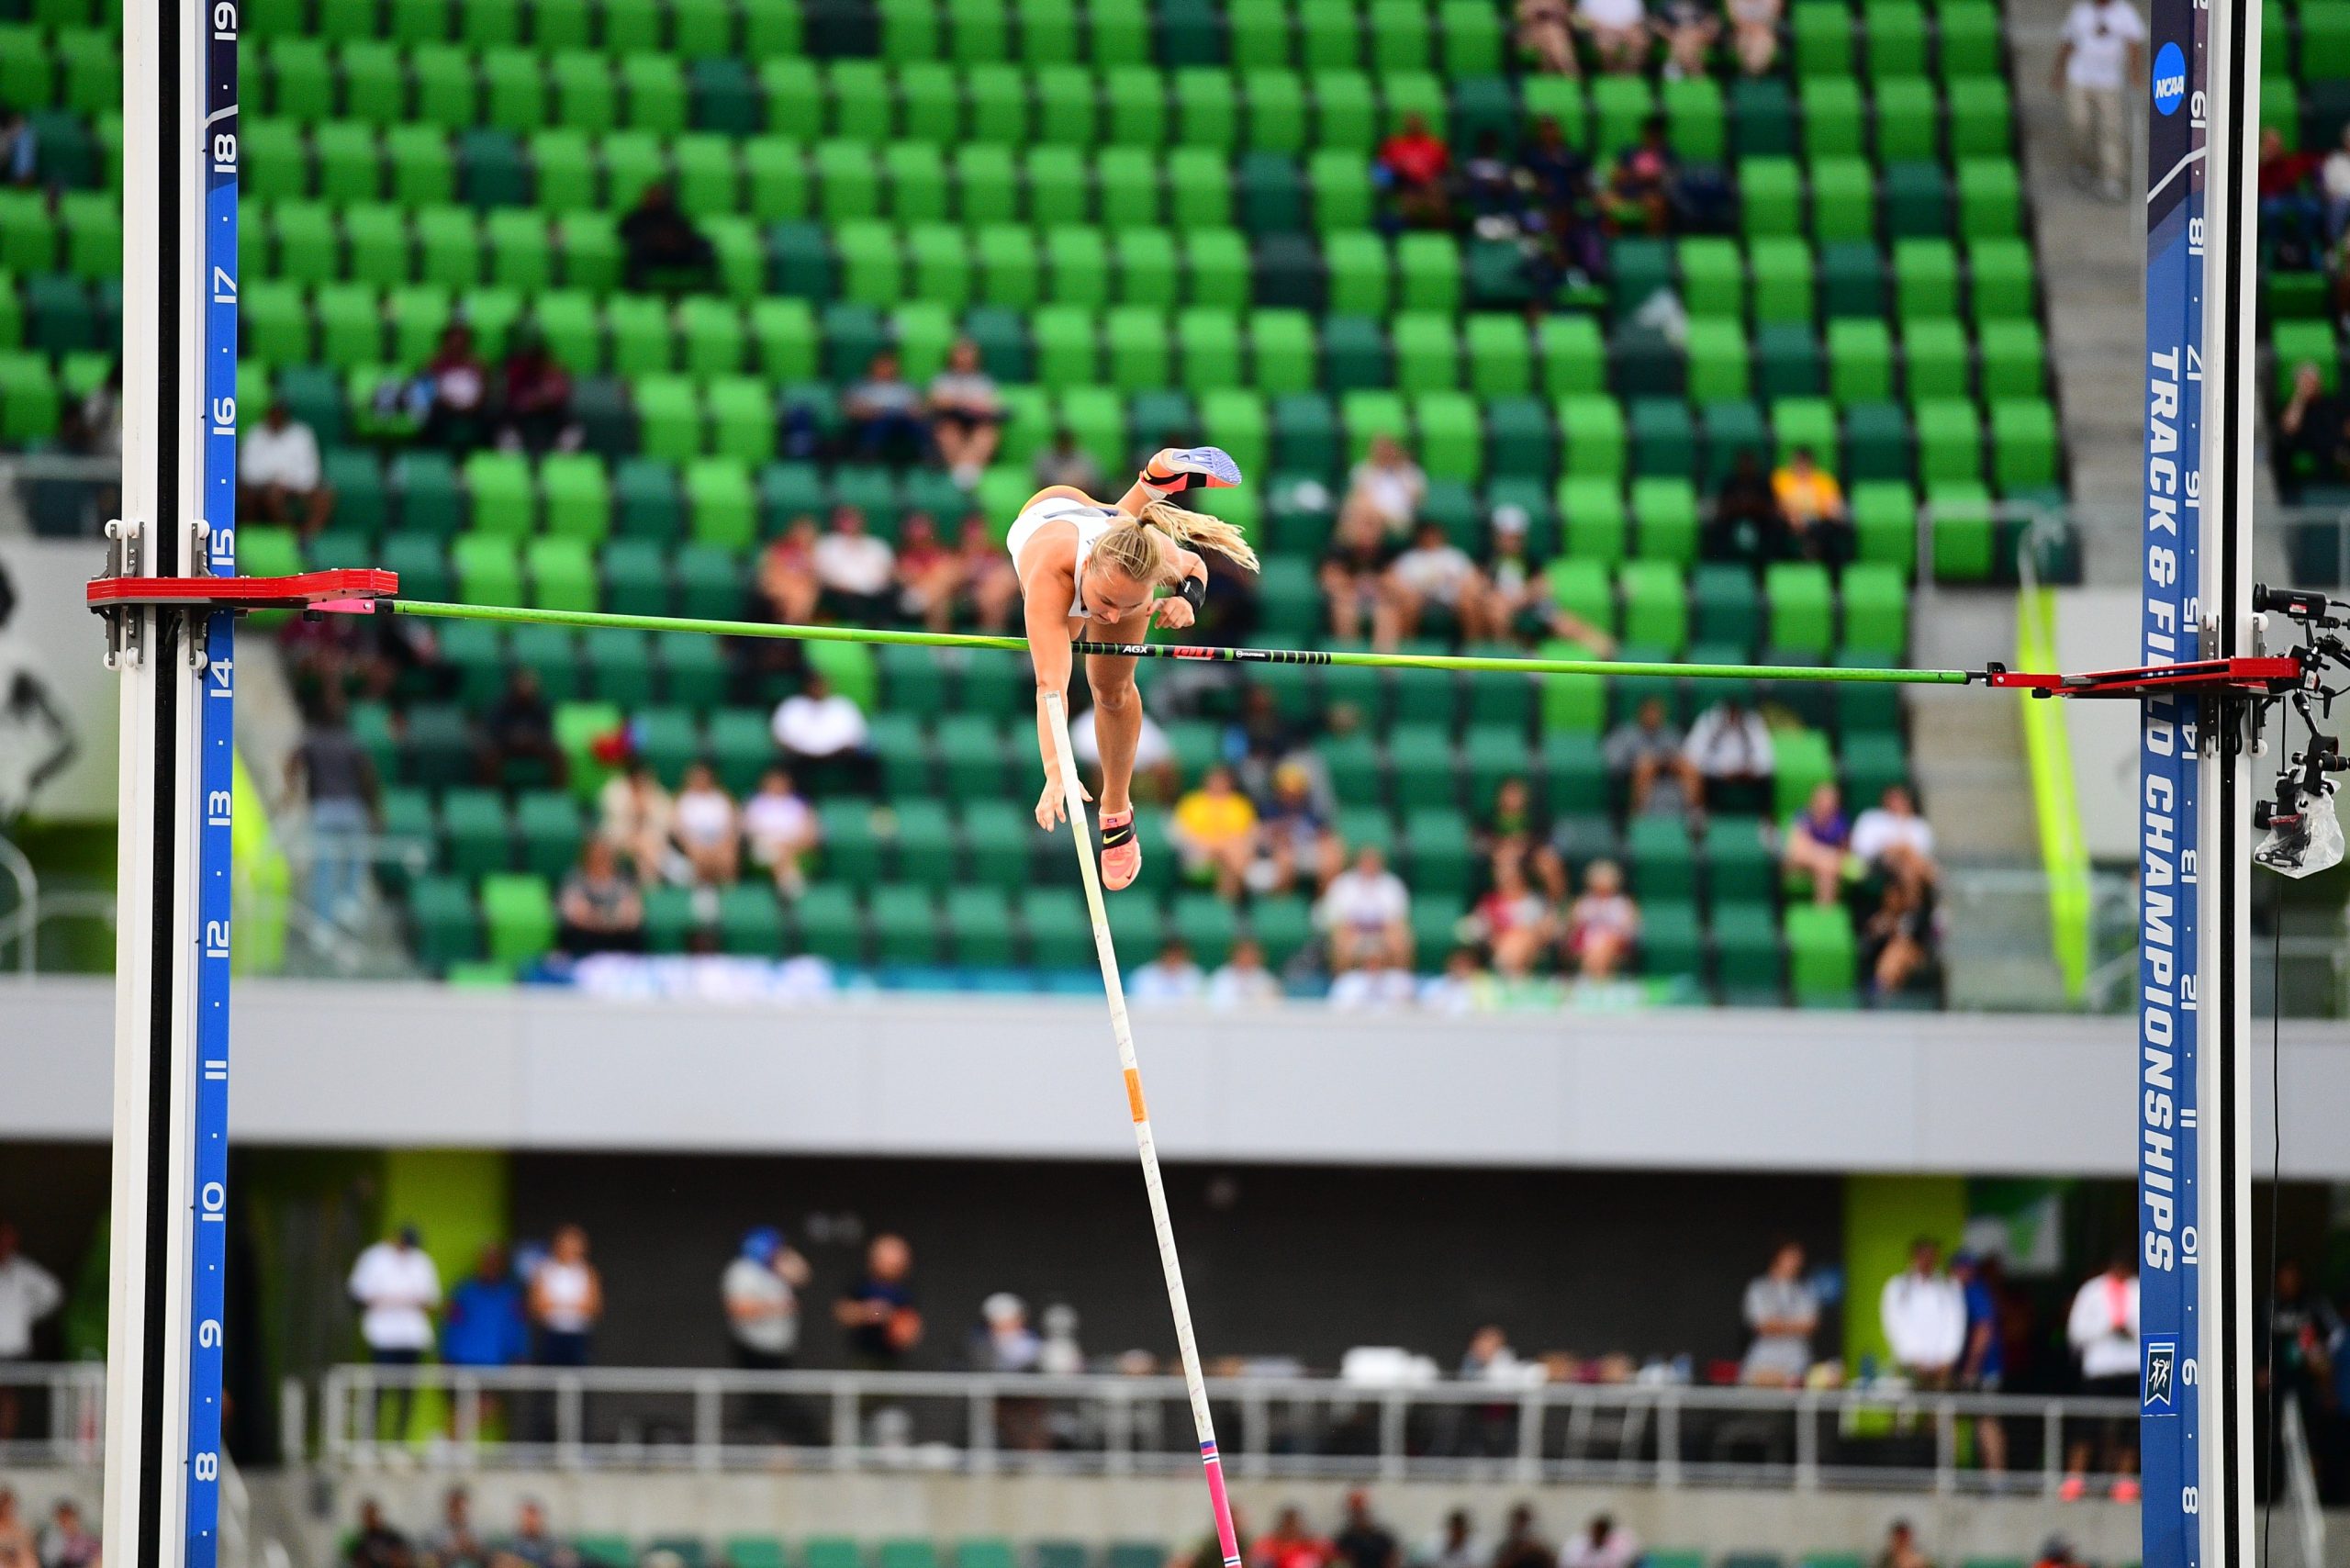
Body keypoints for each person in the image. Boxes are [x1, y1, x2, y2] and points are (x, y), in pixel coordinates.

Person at [1010, 445, 1257, 890]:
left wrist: (1187, 601)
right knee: (1071, 630)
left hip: (1111, 530)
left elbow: (1194, 566)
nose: (1108, 617)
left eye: (1125, 606)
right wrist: (1055, 768)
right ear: (1088, 567)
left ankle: (1116, 811)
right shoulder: (1050, 573)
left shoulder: (1148, 557)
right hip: (1053, 510)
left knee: (1112, 689)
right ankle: (1151, 482)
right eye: (1105, 603)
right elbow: (1051, 686)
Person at [287, 689, 381, 924]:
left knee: (327, 866)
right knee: (350, 859)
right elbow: (368, 777)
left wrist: (291, 790)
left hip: (327, 810)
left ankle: (326, 919)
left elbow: (292, 763)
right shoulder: (348, 741)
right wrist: (375, 808)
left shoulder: (316, 740)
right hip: (346, 809)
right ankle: (345, 904)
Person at [348, 1225, 442, 1439]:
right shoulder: (374, 1257)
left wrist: (405, 1301)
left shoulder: (421, 1261)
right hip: (382, 1336)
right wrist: (391, 1300)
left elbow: (431, 1300)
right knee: (378, 1387)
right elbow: (358, 1294)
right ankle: (368, 1438)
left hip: (412, 1337)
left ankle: (399, 1439)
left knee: (407, 1391)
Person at [2062, 1253, 2140, 1497]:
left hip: (2132, 1367)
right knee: (2087, 1424)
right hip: (2100, 1369)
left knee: (2132, 1428)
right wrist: (2108, 1327)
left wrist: (2130, 1330)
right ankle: (2075, 1479)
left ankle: (2124, 1481)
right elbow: (2076, 1332)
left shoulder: (2140, 1289)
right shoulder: (2092, 1291)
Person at [2053, 0, 2144, 202]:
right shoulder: (2080, 11)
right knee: (2079, 122)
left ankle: (2112, 177)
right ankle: (2082, 163)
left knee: (2111, 129)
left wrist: (2135, 74)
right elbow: (2068, 43)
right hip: (2080, 78)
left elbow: (2134, 45)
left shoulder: (2125, 13)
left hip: (2110, 82)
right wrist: (2058, 72)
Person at [440, 1244, 532, 1436]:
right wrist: (447, 1355)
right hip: (463, 1360)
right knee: (460, 1407)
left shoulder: (510, 1294)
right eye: (487, 1261)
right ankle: (450, 1443)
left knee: (489, 1407)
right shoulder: (465, 1291)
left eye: (495, 1261)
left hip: (495, 1364)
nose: (490, 1266)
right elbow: (451, 1324)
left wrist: (520, 1356)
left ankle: (448, 1441)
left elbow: (517, 1327)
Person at [1383, 521, 1496, 642]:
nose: (1430, 538)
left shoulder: (1454, 556)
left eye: (1434, 535)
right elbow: (1391, 579)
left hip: (1451, 598)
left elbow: (1472, 579)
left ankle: (1474, 644)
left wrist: (1463, 588)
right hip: (1418, 598)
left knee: (1468, 602)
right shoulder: (1409, 558)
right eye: (1427, 535)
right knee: (1408, 603)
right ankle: (1408, 644)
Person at [722, 1226, 812, 1373]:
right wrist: (778, 1307)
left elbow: (803, 1276)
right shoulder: (743, 1270)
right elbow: (738, 1310)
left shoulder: (775, 1268)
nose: (780, 1250)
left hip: (780, 1347)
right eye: (776, 1247)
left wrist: (786, 1256)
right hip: (753, 1347)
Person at [1880, 1238, 1966, 1388]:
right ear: (1914, 1257)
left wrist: (1947, 1358)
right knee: (1907, 1400)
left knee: (1940, 1400)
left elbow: (1956, 1323)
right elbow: (1893, 1322)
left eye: (1932, 1256)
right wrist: (1913, 1358)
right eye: (1923, 1256)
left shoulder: (1949, 1287)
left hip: (1942, 1367)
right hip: (1910, 1364)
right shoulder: (1898, 1287)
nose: (1927, 1261)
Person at [0, 1226, 60, 1444]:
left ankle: (7, 1445)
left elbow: (52, 1293)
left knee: (11, 1400)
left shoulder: (23, 1270)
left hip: (15, 1351)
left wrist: (27, 1314)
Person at [238, 398, 333, 532]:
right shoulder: (254, 434)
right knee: (273, 496)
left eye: (280, 413)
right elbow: (247, 472)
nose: (277, 417)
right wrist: (273, 480)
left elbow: (311, 472)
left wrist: (289, 483)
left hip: (297, 486)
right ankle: (288, 534)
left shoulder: (302, 434)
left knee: (325, 494)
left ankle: (307, 535)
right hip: (263, 487)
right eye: (274, 413)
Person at [770, 673, 874, 795]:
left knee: (868, 762)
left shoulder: (843, 706)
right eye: (814, 685)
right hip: (802, 757)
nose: (817, 689)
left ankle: (867, 800)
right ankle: (799, 799)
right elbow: (781, 738)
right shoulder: (792, 706)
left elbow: (856, 737)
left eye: (821, 685)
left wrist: (838, 750)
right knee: (784, 763)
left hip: (838, 755)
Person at [1952, 1250, 2008, 1472]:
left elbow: (1983, 1331)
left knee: (1986, 1421)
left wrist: (1970, 1370)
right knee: (1959, 1419)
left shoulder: (1974, 1291)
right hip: (1977, 1370)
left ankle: (1995, 1478)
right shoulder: (1961, 1292)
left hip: (1982, 1371)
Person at [1317, 843, 1413, 972]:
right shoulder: (1343, 884)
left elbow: (1397, 919)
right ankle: (1341, 980)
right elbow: (1334, 915)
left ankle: (1399, 979)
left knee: (1400, 939)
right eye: (1366, 862)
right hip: (1352, 932)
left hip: (1383, 932)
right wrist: (1349, 927)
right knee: (1340, 938)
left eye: (1373, 862)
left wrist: (1382, 929)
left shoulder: (1392, 885)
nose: (1369, 865)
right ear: (1358, 863)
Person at [1319, 503, 1404, 646]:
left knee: (1387, 612)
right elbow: (1331, 582)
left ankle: (1385, 657)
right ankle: (1349, 655)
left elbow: (1394, 583)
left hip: (1378, 600)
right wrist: (1353, 586)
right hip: (1348, 600)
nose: (1368, 531)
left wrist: (1377, 586)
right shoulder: (1338, 551)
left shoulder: (1386, 553)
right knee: (1344, 609)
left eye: (1373, 526)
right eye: (1363, 524)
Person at [925, 337, 1006, 487]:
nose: (965, 358)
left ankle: (965, 473)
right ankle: (963, 474)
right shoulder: (943, 379)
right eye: (961, 353)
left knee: (987, 433)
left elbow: (994, 405)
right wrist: (962, 403)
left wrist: (978, 406)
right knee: (949, 431)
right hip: (951, 420)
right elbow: (937, 401)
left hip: (977, 422)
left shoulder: (983, 380)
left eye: (969, 354)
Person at [835, 1233, 922, 1372]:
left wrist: (896, 1323)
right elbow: (843, 1313)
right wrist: (868, 1312)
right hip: (863, 1357)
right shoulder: (861, 1285)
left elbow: (911, 1329)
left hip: (893, 1361)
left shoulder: (905, 1292)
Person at [1171, 764, 1260, 898]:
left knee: (1229, 857)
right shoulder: (1191, 802)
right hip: (1200, 853)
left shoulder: (1241, 804)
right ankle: (1239, 896)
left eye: (1222, 780)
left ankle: (1225, 902)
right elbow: (1180, 833)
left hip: (1234, 853)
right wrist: (1214, 847)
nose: (1218, 784)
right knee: (1228, 856)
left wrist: (1226, 847)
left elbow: (1252, 835)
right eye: (1215, 780)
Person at [1606, 696, 1702, 818]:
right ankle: (1638, 816)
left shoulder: (1672, 734)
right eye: (1650, 712)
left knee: (1689, 767)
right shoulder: (1625, 734)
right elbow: (1614, 761)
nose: (1653, 716)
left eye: (1657, 713)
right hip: (1636, 775)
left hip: (1670, 774)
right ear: (1641, 713)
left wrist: (1663, 762)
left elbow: (1685, 755)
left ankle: (1695, 814)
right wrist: (1641, 762)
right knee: (1646, 765)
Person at [1740, 1239, 1818, 1386]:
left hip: (1798, 1359)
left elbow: (1810, 1325)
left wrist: (1778, 1324)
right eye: (1791, 1257)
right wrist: (1796, 1325)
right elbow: (1762, 1325)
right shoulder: (1759, 1287)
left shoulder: (1805, 1289)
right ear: (1777, 1257)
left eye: (1799, 1258)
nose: (1797, 1262)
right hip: (1764, 1359)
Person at [617, 180, 715, 292]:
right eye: (653, 196)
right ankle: (635, 288)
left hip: (678, 253)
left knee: (705, 245)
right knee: (637, 250)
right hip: (653, 255)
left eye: (659, 196)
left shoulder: (675, 216)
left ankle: (710, 286)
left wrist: (674, 241)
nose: (656, 199)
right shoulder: (636, 217)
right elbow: (624, 233)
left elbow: (688, 233)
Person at [478, 666, 567, 788]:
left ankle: (556, 793)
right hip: (506, 746)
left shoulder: (542, 706)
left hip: (535, 746)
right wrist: (513, 738)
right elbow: (493, 731)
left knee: (558, 754)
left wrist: (532, 738)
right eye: (523, 684)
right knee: (487, 756)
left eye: (529, 684)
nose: (526, 688)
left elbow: (548, 730)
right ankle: (489, 794)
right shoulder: (500, 705)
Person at [1683, 695, 1774, 812]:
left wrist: (1749, 769)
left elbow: (1766, 759)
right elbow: (1692, 755)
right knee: (1699, 777)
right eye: (1730, 714)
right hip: (1715, 774)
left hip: (1747, 774)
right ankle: (1704, 815)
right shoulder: (1709, 721)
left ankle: (1766, 818)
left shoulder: (1752, 722)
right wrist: (1720, 770)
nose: (1733, 718)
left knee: (1767, 779)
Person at [1473, 850, 1556, 978]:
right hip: (1500, 948)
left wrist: (1524, 936)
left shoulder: (1538, 901)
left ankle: (1514, 976)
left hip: (1531, 950)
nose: (1506, 878)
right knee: (1511, 943)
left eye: (1511, 873)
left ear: (1521, 875)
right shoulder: (1489, 902)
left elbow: (1547, 931)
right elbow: (1481, 930)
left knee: (1520, 940)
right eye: (1501, 873)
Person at [556, 838, 645, 956]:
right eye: (596, 853)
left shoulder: (624, 881)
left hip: (618, 940)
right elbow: (577, 914)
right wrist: (610, 918)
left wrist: (600, 918)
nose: (600, 858)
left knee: (635, 935)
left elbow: (632, 916)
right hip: (585, 940)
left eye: (605, 854)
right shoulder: (575, 879)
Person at [496, 326, 576, 455]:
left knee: (569, 421)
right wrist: (530, 401)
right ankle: (511, 454)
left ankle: (564, 455)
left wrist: (542, 399)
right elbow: (513, 397)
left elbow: (560, 394)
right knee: (504, 417)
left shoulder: (554, 369)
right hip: (521, 414)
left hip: (550, 412)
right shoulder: (517, 369)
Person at [531, 1224, 602, 1367]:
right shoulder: (544, 1270)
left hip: (579, 1336)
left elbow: (593, 1307)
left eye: (575, 1244)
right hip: (551, 1335)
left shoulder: (588, 1272)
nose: (571, 1249)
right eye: (567, 1244)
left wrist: (556, 1302)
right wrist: (574, 1303)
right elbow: (538, 1306)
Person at [813, 506, 898, 625]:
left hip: (876, 594)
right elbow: (822, 573)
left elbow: (888, 572)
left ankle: (881, 630)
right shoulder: (827, 544)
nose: (849, 523)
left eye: (852, 519)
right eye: (845, 519)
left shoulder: (877, 545)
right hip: (842, 593)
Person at [742, 767, 820, 896]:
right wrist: (776, 843)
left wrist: (791, 845)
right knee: (781, 854)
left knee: (784, 854)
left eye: (781, 781)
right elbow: (748, 832)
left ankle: (788, 893)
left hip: (795, 847)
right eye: (774, 781)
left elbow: (811, 834)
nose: (777, 785)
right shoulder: (755, 804)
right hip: (762, 847)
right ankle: (793, 894)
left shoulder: (799, 805)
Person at [844, 350, 929, 466]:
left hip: (902, 422)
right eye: (882, 366)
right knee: (881, 421)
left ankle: (927, 454)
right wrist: (869, 411)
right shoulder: (861, 386)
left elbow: (920, 409)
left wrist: (913, 411)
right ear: (873, 366)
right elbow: (849, 409)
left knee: (917, 425)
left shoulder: (905, 387)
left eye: (889, 366)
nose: (886, 369)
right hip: (873, 421)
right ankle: (867, 453)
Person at [1852, 782, 1938, 894]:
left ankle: (1911, 903)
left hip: (1907, 865)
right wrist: (1891, 848)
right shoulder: (1871, 819)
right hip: (1875, 863)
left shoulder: (1918, 824)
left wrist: (1902, 844)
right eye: (1892, 798)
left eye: (1899, 799)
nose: (1896, 803)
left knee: (1908, 870)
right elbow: (1860, 847)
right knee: (1905, 862)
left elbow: (1923, 852)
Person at [1771, 446, 1852, 565]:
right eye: (1798, 464)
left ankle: (1815, 557)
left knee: (1830, 527)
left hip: (1817, 523)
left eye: (1804, 464)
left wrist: (1830, 513)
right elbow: (1776, 504)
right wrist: (1791, 516)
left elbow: (1833, 507)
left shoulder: (1824, 480)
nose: (1801, 468)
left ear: (1811, 464)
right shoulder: (1780, 479)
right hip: (1788, 521)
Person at [597, 759, 673, 883]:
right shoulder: (615, 790)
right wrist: (635, 808)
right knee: (645, 848)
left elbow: (665, 819)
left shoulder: (655, 792)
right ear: (632, 776)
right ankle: (675, 876)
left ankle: (650, 887)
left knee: (644, 856)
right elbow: (614, 819)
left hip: (649, 841)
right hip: (619, 838)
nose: (642, 781)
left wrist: (647, 808)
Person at [419, 322, 491, 451]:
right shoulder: (435, 364)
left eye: (461, 340)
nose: (456, 344)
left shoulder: (478, 364)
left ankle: (483, 454)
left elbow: (484, 389)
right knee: (431, 415)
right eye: (453, 340)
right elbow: (431, 389)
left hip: (474, 408)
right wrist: (448, 403)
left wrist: (474, 404)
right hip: (444, 407)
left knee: (491, 415)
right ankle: (433, 453)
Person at [1562, 857, 1639, 980]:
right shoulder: (1583, 903)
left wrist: (1609, 938)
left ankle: (1592, 981)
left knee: (1602, 948)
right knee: (1594, 949)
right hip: (1586, 945)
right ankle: (1594, 981)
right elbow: (1571, 929)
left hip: (1613, 945)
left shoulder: (1623, 904)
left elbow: (1630, 931)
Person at [1709, 451, 1791, 565]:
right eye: (1743, 464)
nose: (1746, 467)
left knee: (1776, 527)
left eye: (1749, 464)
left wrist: (1754, 505)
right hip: (1733, 519)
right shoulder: (1730, 482)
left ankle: (1771, 564)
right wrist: (1738, 505)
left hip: (1759, 520)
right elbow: (1722, 508)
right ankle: (1721, 564)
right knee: (1717, 527)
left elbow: (1771, 507)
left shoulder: (1762, 483)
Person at [2277, 362, 2350, 487]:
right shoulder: (2292, 405)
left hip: (2338, 445)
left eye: (2313, 380)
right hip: (2308, 446)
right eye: (2306, 381)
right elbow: (2290, 428)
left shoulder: (2333, 403)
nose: (2311, 384)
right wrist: (2300, 397)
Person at [668, 761, 741, 887]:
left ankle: (730, 892)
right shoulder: (683, 800)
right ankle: (702, 889)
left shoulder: (722, 799)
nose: (701, 780)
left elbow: (732, 827)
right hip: (693, 844)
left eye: (704, 777)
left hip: (720, 843)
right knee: (699, 855)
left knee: (728, 856)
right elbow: (677, 829)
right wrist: (690, 844)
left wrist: (723, 844)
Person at [1781, 780, 1852, 906]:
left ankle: (1824, 912)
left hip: (1828, 867)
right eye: (1823, 800)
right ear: (1814, 801)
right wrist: (1826, 856)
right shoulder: (1803, 815)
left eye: (1831, 801)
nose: (1827, 804)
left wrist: (1825, 858)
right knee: (1825, 863)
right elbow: (1798, 850)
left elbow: (1843, 852)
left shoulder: (1840, 821)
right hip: (1798, 864)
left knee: (1826, 871)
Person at [1376, 113, 1451, 230]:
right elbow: (1384, 169)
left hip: (1430, 185)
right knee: (1409, 200)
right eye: (1411, 124)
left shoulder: (1435, 146)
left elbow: (1444, 170)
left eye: (1417, 124)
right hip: (1404, 184)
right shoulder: (1394, 145)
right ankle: (1408, 230)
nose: (1414, 127)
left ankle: (1440, 232)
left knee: (1437, 196)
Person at [1343, 434, 1427, 539]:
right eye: (1381, 450)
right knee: (1358, 510)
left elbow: (1416, 500)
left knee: (1365, 519)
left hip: (1398, 518)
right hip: (1368, 513)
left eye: (1388, 449)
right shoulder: (1362, 469)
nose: (1385, 453)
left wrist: (1399, 472)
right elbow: (1358, 496)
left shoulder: (1411, 472)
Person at [950, 513, 1024, 632]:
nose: (975, 541)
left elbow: (1010, 579)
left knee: (995, 595)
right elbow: (952, 576)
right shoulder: (957, 557)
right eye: (971, 538)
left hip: (996, 596)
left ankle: (993, 637)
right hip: (963, 592)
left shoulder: (995, 555)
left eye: (978, 536)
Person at [757, 515, 822, 625]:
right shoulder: (778, 549)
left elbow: (812, 580)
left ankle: (793, 627)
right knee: (793, 597)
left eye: (807, 534)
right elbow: (768, 577)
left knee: (803, 596)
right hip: (778, 590)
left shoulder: (811, 554)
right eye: (801, 532)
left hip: (801, 593)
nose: (803, 537)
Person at [1577, 0, 1651, 73]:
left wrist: (1624, 31)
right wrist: (1604, 29)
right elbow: (1581, 18)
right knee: (1606, 43)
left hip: (1627, 30)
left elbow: (1637, 19)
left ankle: (1628, 73)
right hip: (1600, 30)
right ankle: (1612, 73)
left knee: (1640, 41)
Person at [420, 1487, 485, 1568]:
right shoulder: (435, 1533)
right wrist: (451, 1550)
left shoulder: (475, 1531)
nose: (458, 1511)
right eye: (454, 1507)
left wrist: (470, 1548)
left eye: (460, 1507)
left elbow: (484, 1557)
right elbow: (430, 1560)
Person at [1130, 936, 1208, 1002]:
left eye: (1178, 953)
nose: (1173, 957)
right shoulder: (1143, 975)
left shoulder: (1196, 975)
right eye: (1170, 953)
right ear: (1162, 954)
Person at [1332, 1492, 1398, 1568]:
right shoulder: (1344, 1540)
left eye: (1362, 1511)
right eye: (1356, 1512)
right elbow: (1339, 1562)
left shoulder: (1383, 1538)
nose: (1359, 1515)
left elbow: (1393, 1560)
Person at [1031, 427, 1105, 494]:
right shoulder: (1045, 460)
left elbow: (1095, 483)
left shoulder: (1085, 458)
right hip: (1053, 497)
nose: (1064, 444)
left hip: (1082, 497)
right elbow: (1039, 484)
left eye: (1067, 441)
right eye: (1062, 442)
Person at [1250, 1506, 1330, 1568]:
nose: (1290, 1528)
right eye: (1287, 1523)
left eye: (1293, 1523)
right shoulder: (1267, 1544)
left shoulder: (1312, 1545)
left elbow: (1328, 1557)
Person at [1516, 0, 1579, 73]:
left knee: (1551, 32)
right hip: (1530, 35)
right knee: (1551, 35)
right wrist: (1542, 11)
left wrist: (1547, 12)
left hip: (1558, 32)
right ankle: (1571, 72)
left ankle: (1552, 71)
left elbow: (1566, 15)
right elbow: (1522, 15)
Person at [347, 1499, 412, 1568]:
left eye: (372, 1514)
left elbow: (403, 1558)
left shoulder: (392, 1537)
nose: (370, 1518)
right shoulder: (360, 1543)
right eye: (367, 1515)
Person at [36, 1501, 98, 1568]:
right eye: (62, 1520)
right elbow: (48, 1560)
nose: (66, 1523)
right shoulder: (52, 1540)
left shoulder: (87, 1540)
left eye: (69, 1519)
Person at [1560, 1515, 1638, 1568]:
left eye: (1601, 1532)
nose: (1597, 1535)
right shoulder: (1576, 1546)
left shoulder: (1617, 1548)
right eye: (1596, 1531)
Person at [1487, 1506, 1551, 1568]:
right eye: (1517, 1523)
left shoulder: (1539, 1550)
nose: (1519, 1527)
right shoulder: (1504, 1548)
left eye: (1523, 1523)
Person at [1726, 0, 1781, 72]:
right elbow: (1734, 20)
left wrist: (1758, 30)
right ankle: (1752, 67)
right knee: (1745, 40)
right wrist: (1751, 29)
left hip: (1764, 32)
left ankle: (1756, 67)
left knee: (1761, 40)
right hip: (1742, 32)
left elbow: (1773, 18)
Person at [1415, 1510, 1479, 1568]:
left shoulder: (1473, 1549)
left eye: (1460, 1531)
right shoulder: (1433, 1545)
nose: (1456, 1534)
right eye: (1455, 1530)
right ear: (1449, 1529)